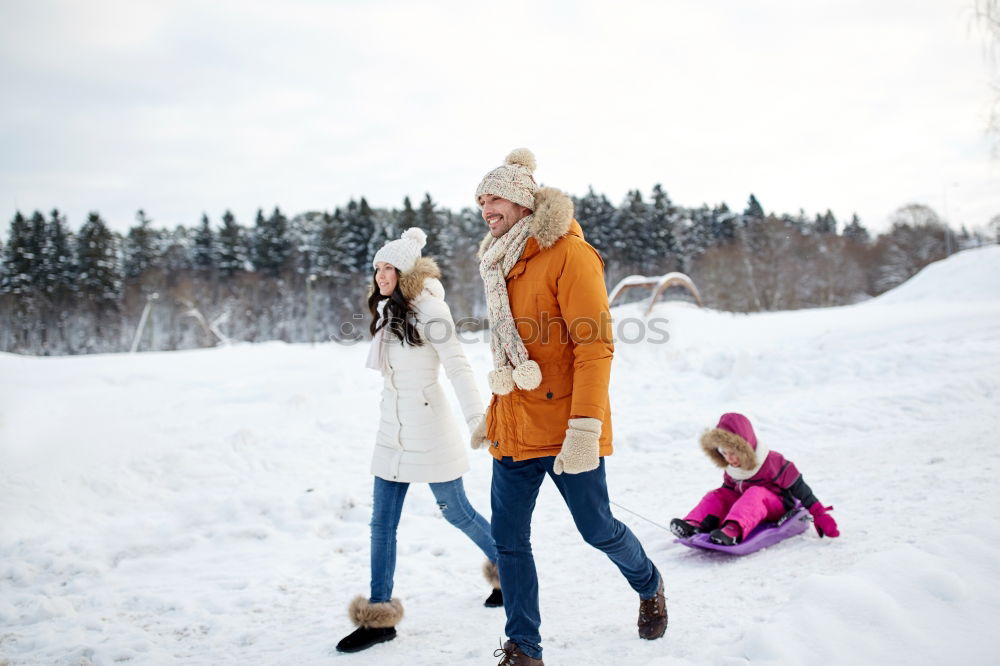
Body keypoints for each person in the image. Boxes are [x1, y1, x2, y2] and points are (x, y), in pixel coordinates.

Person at [469, 149, 667, 666]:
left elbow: (594, 346)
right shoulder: (498, 260)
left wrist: (584, 428)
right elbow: (511, 347)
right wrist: (492, 414)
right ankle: (524, 648)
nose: (486, 207)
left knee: (596, 528)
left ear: (522, 199)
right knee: (509, 541)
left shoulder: (569, 254)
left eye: (495, 197)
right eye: (481, 199)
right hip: (514, 426)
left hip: (565, 427)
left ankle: (649, 583)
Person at [336, 227, 501, 654]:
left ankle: (508, 569)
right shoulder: (390, 312)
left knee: (456, 511)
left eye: (388, 267)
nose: (380, 275)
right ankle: (378, 617)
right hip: (392, 430)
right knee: (381, 524)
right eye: (377, 267)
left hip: (430, 430)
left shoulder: (431, 310)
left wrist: (476, 420)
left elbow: (459, 367)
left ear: (405, 270)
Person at [669, 412, 840, 545]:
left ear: (746, 448)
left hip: (776, 507)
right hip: (747, 506)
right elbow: (728, 493)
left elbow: (800, 488)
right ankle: (694, 524)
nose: (729, 459)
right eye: (724, 453)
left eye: (733, 453)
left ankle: (733, 530)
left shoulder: (772, 461)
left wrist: (819, 514)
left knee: (755, 492)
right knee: (718, 494)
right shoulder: (731, 467)